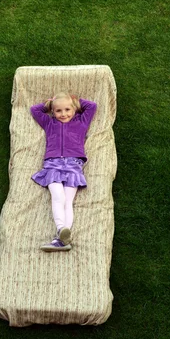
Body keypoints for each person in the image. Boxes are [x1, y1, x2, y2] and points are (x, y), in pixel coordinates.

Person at [30, 92, 97, 252]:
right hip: (53, 164)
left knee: (68, 201)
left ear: (74, 109)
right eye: (58, 110)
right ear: (53, 112)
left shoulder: (81, 122)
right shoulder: (49, 123)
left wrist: (75, 100)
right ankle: (61, 230)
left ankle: (61, 240)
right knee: (57, 197)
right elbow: (35, 110)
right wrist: (49, 103)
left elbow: (92, 106)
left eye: (68, 109)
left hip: (73, 165)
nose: (63, 114)